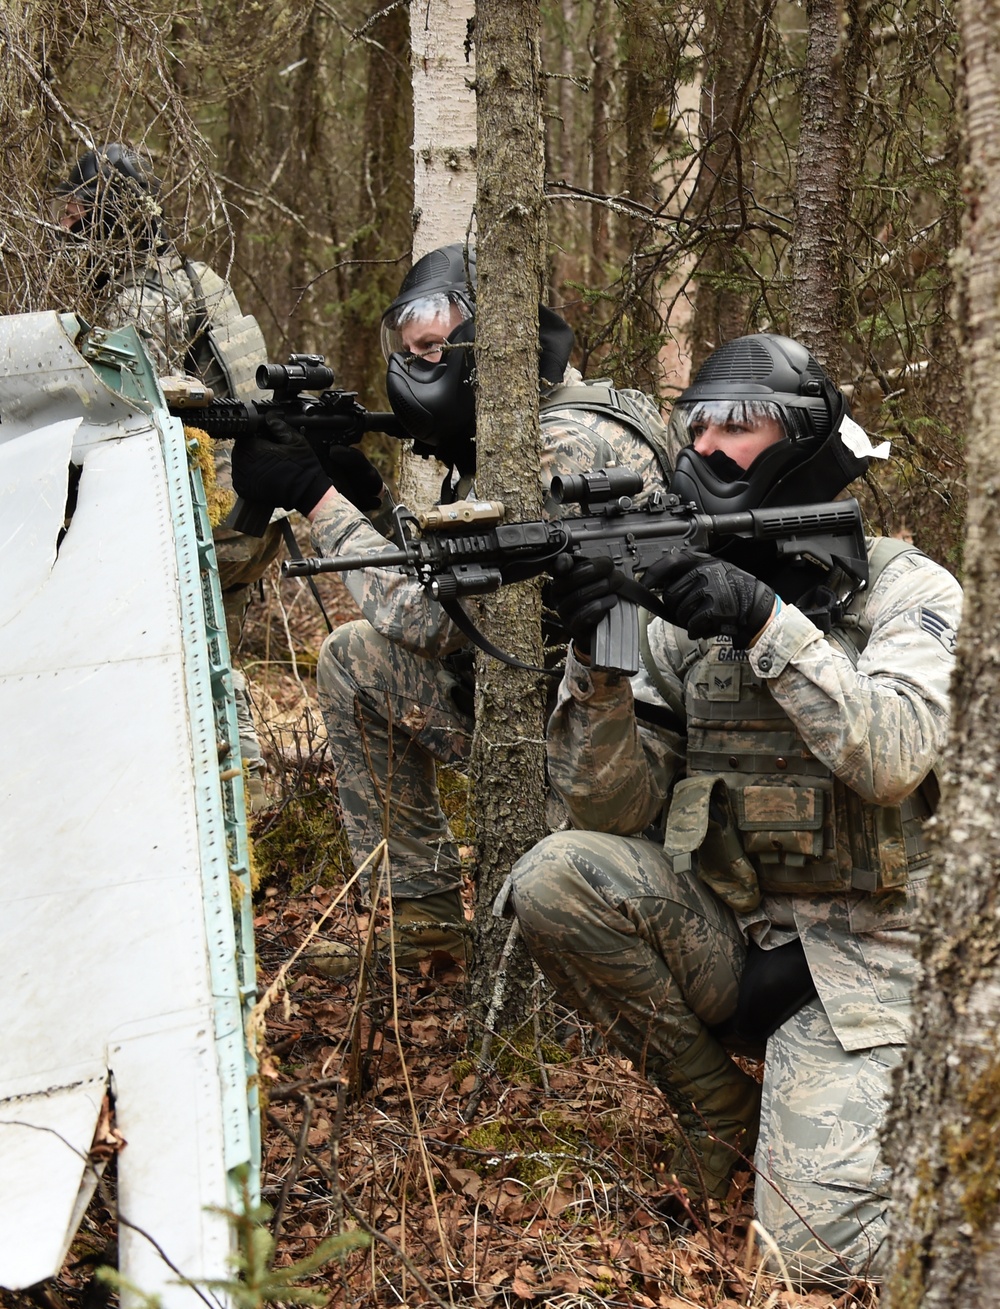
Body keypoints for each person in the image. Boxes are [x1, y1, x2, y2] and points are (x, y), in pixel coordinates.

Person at [508, 332, 961, 1287]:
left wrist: (761, 617)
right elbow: (609, 810)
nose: (708, 448)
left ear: (803, 443)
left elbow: (890, 755)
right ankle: (721, 1111)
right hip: (749, 942)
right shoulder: (681, 617)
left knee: (816, 1257)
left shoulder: (907, 592)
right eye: (697, 424)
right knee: (554, 876)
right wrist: (602, 656)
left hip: (881, 968)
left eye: (740, 426)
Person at [233, 241, 682, 973]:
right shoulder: (529, 427)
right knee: (356, 660)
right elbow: (458, 581)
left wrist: (317, 496)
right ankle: (426, 929)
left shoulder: (561, 445)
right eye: (413, 352)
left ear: (496, 344)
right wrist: (368, 499)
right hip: (549, 705)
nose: (418, 370)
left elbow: (429, 617)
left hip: (617, 757)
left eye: (437, 350)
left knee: (362, 650)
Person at [56, 143, 281, 810]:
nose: (67, 227)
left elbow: (140, 425)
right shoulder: (197, 276)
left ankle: (241, 806)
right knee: (216, 658)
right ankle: (246, 803)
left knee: (197, 663)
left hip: (211, 514)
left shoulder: (140, 303)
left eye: (77, 212)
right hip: (250, 505)